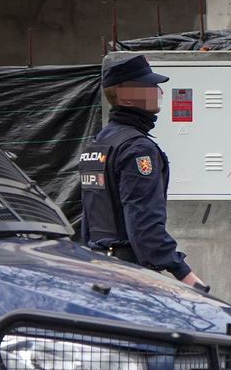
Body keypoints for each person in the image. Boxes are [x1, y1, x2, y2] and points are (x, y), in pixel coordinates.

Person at [78, 54, 206, 290]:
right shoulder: (137, 149)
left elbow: (89, 217)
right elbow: (144, 224)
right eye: (150, 86)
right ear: (126, 97)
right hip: (127, 274)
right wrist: (184, 273)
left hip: (98, 267)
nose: (159, 92)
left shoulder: (97, 144)